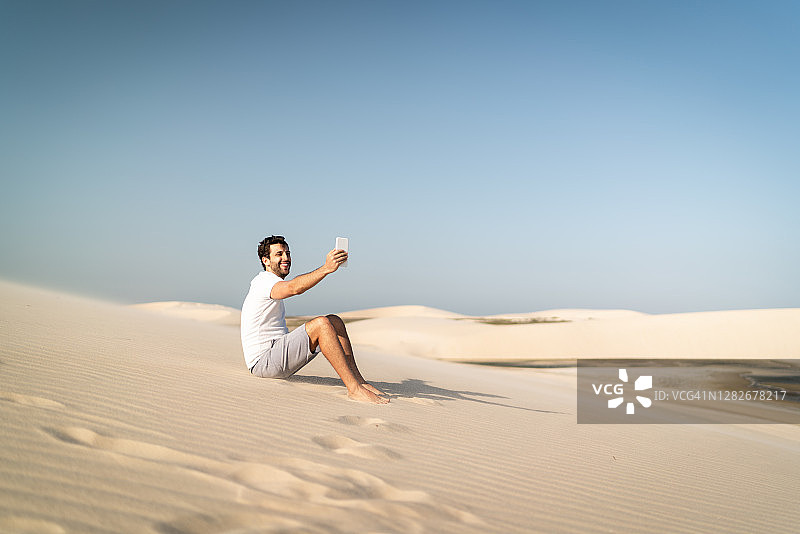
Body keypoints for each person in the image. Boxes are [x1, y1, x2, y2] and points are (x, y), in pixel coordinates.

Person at [241, 235, 389, 404]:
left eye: (287, 253)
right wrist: (326, 268)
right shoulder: (263, 282)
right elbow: (294, 288)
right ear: (265, 260)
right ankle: (354, 389)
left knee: (335, 321)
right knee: (321, 324)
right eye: (279, 254)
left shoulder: (271, 282)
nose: (286, 258)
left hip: (277, 353)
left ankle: (360, 382)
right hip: (263, 363)